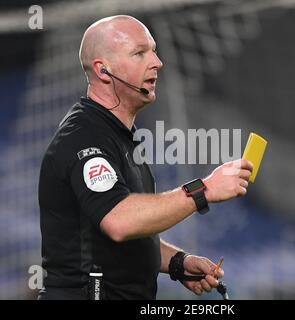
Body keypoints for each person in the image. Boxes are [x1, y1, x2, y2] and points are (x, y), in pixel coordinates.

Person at [37, 15, 253, 300]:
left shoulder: (121, 135)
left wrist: (177, 262)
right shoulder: (84, 138)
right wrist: (206, 189)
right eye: (140, 53)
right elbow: (118, 220)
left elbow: (117, 235)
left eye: (152, 50)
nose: (157, 61)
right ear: (104, 71)